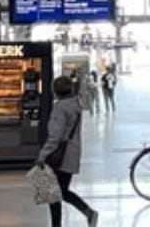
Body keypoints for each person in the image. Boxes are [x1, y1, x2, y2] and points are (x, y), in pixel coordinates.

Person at [36, 75, 99, 227]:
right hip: (71, 153)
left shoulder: (60, 107)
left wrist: (42, 155)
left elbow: (55, 136)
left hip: (58, 156)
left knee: (54, 192)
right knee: (60, 190)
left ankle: (85, 213)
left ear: (55, 91)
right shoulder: (75, 104)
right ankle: (87, 212)